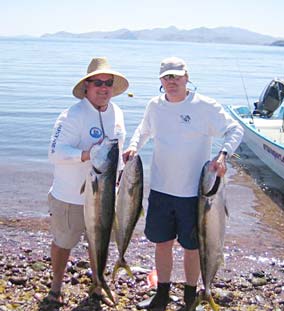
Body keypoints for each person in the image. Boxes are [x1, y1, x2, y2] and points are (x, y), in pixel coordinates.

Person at [123, 56, 243, 311]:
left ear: (187, 77)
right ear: (160, 81)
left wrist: (223, 155)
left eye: (176, 76)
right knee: (162, 243)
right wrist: (133, 147)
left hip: (194, 194)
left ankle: (191, 296)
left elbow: (236, 130)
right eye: (167, 77)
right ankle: (162, 294)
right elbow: (143, 131)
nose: (172, 81)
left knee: (192, 247)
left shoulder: (205, 106)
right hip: (161, 190)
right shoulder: (155, 106)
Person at [47, 57, 129, 306]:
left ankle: (98, 283)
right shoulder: (71, 115)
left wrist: (123, 175)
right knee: (63, 242)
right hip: (70, 196)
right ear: (86, 87)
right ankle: (56, 286)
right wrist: (85, 155)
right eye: (98, 83)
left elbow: (118, 151)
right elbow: (55, 153)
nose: (104, 88)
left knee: (100, 242)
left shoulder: (117, 113)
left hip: (105, 196)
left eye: (108, 83)